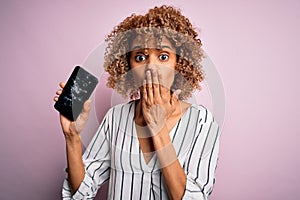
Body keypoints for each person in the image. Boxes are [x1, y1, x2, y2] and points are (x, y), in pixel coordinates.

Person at [54, 5, 220, 200]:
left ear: (180, 63)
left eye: (163, 56)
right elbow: (82, 194)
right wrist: (72, 138)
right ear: (128, 67)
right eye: (140, 57)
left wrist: (159, 130)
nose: (151, 66)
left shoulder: (202, 122)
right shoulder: (116, 118)